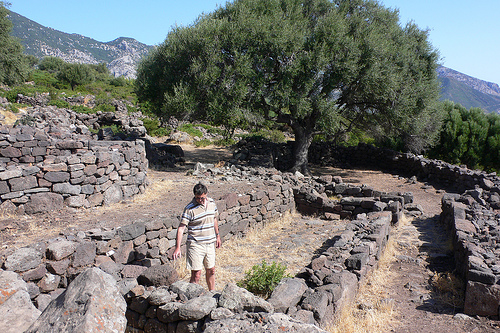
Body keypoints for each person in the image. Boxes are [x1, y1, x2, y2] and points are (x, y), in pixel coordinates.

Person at [172, 182, 221, 290]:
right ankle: (192, 297)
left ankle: (212, 293)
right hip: (196, 244)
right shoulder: (189, 209)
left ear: (206, 194)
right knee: (196, 274)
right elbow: (181, 228)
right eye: (198, 198)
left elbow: (214, 219)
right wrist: (177, 248)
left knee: (211, 270)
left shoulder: (212, 203)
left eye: (202, 198)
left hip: (210, 242)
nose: (200, 200)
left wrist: (217, 236)